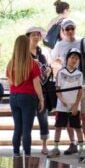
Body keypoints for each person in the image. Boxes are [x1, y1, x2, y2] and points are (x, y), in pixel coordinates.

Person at [51, 19, 85, 157]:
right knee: (69, 116)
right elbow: (54, 60)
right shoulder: (60, 45)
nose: (70, 32)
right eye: (67, 29)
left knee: (83, 115)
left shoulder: (84, 42)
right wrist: (59, 75)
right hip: (66, 86)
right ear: (63, 31)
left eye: (72, 28)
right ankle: (73, 143)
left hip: (81, 84)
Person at [6, 35, 44, 156]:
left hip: (14, 97)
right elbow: (37, 84)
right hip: (28, 97)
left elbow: (10, 83)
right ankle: (27, 155)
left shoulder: (10, 64)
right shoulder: (32, 64)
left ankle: (16, 153)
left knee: (18, 127)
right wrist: (41, 99)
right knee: (27, 129)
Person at [48, 49, 83, 158]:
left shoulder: (79, 74)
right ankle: (56, 148)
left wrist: (76, 104)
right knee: (58, 126)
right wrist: (62, 100)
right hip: (62, 105)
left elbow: (80, 90)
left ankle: (81, 150)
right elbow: (57, 88)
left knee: (77, 127)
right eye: (72, 57)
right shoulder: (61, 72)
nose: (74, 60)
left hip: (74, 106)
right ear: (67, 58)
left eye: (76, 58)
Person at [27, 25, 52, 155]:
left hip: (42, 89)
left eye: (38, 35)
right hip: (28, 90)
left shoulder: (42, 53)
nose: (36, 37)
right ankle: (26, 144)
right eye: (33, 35)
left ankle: (44, 144)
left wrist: (48, 69)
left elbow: (46, 67)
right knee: (28, 119)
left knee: (43, 117)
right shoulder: (24, 54)